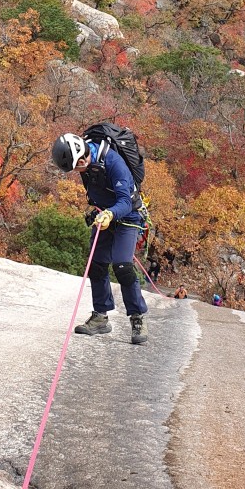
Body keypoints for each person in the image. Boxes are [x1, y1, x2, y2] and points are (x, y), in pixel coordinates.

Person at [51, 131, 149, 345]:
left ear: (84, 157)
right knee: (96, 264)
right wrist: (101, 212)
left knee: (122, 266)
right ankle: (101, 317)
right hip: (104, 214)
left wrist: (110, 213)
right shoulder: (85, 157)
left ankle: (137, 317)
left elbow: (125, 200)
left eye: (78, 166)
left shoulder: (114, 163)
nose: (78, 171)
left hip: (127, 216)